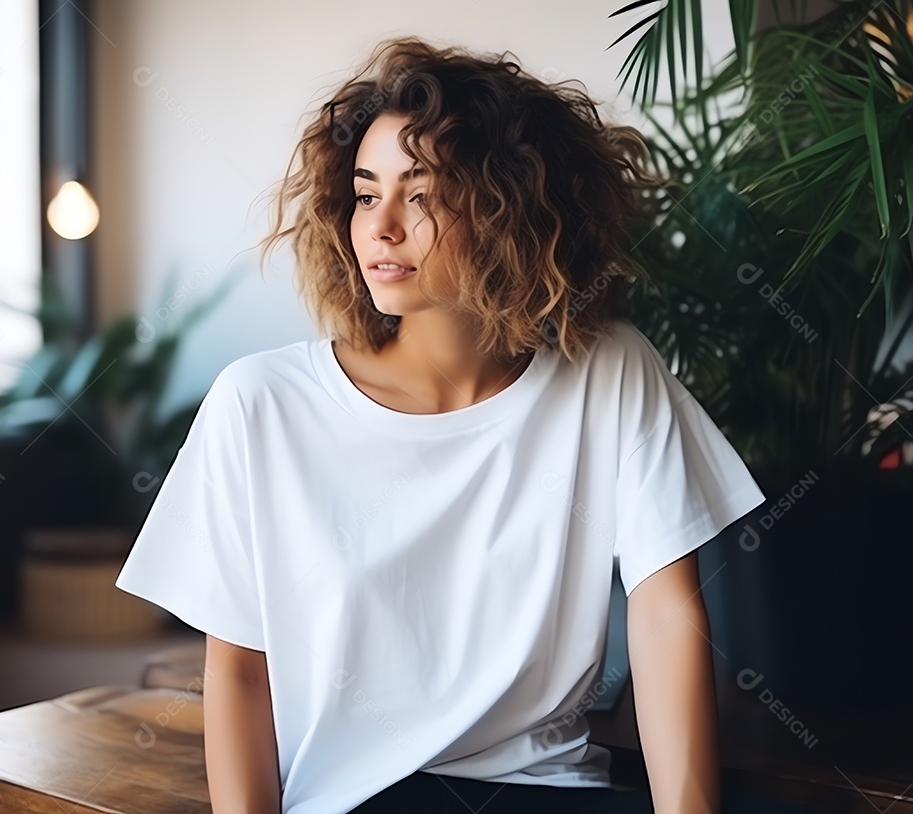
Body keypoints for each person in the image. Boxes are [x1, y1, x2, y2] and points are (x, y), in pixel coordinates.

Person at [114, 35, 767, 814]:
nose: (381, 227)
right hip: (355, 800)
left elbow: (665, 618)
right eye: (366, 195)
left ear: (507, 211)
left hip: (552, 791)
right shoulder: (261, 404)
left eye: (419, 194)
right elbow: (238, 671)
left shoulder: (610, 372)